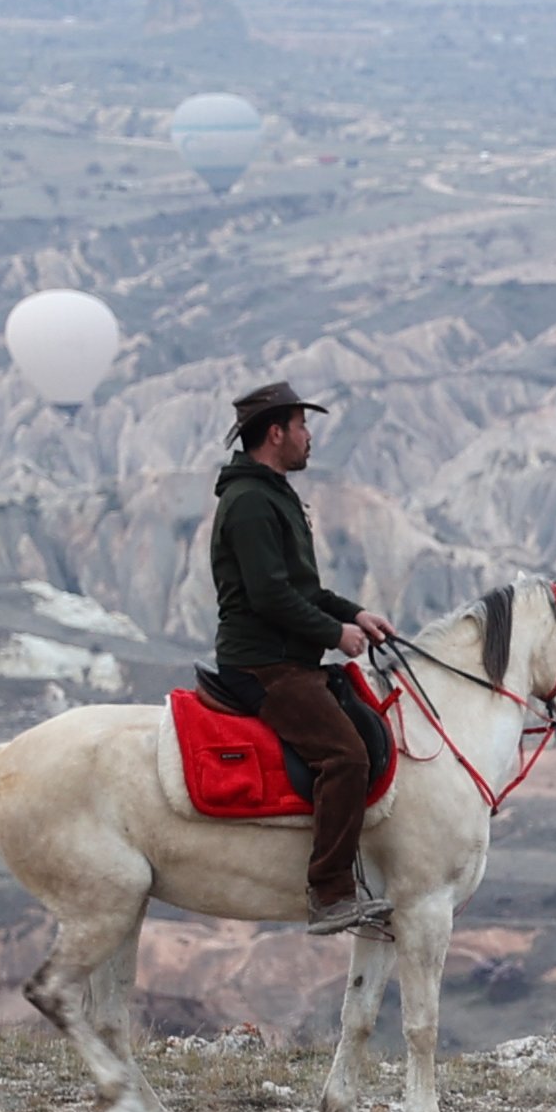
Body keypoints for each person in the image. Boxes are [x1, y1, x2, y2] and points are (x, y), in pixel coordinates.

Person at [207, 381, 398, 935]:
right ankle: (330, 893)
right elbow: (270, 596)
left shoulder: (273, 494)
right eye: (301, 426)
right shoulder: (249, 503)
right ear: (276, 434)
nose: (309, 437)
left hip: (288, 657)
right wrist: (334, 633)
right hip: (264, 665)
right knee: (346, 757)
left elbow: (303, 589)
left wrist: (355, 614)